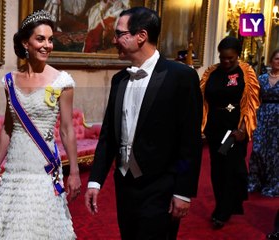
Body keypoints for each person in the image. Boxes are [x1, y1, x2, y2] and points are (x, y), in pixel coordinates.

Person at [84, 7, 203, 239]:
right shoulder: (119, 80)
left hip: (162, 188)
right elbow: (108, 136)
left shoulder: (181, 77)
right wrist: (96, 182)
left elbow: (189, 141)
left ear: (141, 36)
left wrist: (183, 192)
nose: (114, 39)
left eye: (119, 34)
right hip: (125, 186)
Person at [0, 10, 81, 239]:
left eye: (50, 39)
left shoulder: (62, 82)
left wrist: (75, 172)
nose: (47, 45)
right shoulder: (9, 82)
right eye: (41, 39)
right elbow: (8, 127)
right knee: (13, 226)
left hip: (43, 165)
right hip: (16, 166)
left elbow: (67, 130)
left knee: (40, 225)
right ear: (24, 42)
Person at [200, 36, 260, 229]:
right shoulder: (211, 73)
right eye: (223, 58)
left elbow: (251, 103)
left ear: (238, 56)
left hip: (234, 132)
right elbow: (202, 99)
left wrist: (242, 129)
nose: (226, 62)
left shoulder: (246, 73)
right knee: (217, 170)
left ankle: (223, 211)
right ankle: (224, 205)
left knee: (229, 169)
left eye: (231, 58)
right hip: (214, 130)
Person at [247, 49, 279, 197]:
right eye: (277, 59)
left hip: (277, 119)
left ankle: (273, 184)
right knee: (257, 149)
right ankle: (254, 181)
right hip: (262, 115)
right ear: (271, 60)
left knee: (274, 152)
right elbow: (253, 99)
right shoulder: (261, 78)